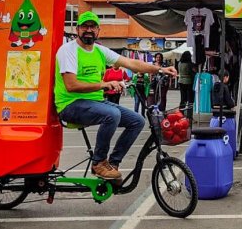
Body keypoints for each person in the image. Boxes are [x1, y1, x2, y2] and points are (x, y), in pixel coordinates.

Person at [54, 12, 177, 180]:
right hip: (70, 105)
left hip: (93, 102)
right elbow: (71, 85)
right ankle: (98, 163)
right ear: (77, 29)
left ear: (98, 30)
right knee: (112, 114)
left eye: (92, 27)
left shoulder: (100, 51)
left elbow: (132, 63)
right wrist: (104, 85)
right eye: (84, 27)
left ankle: (112, 164)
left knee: (137, 121)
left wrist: (160, 69)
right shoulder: (68, 50)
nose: (88, 30)